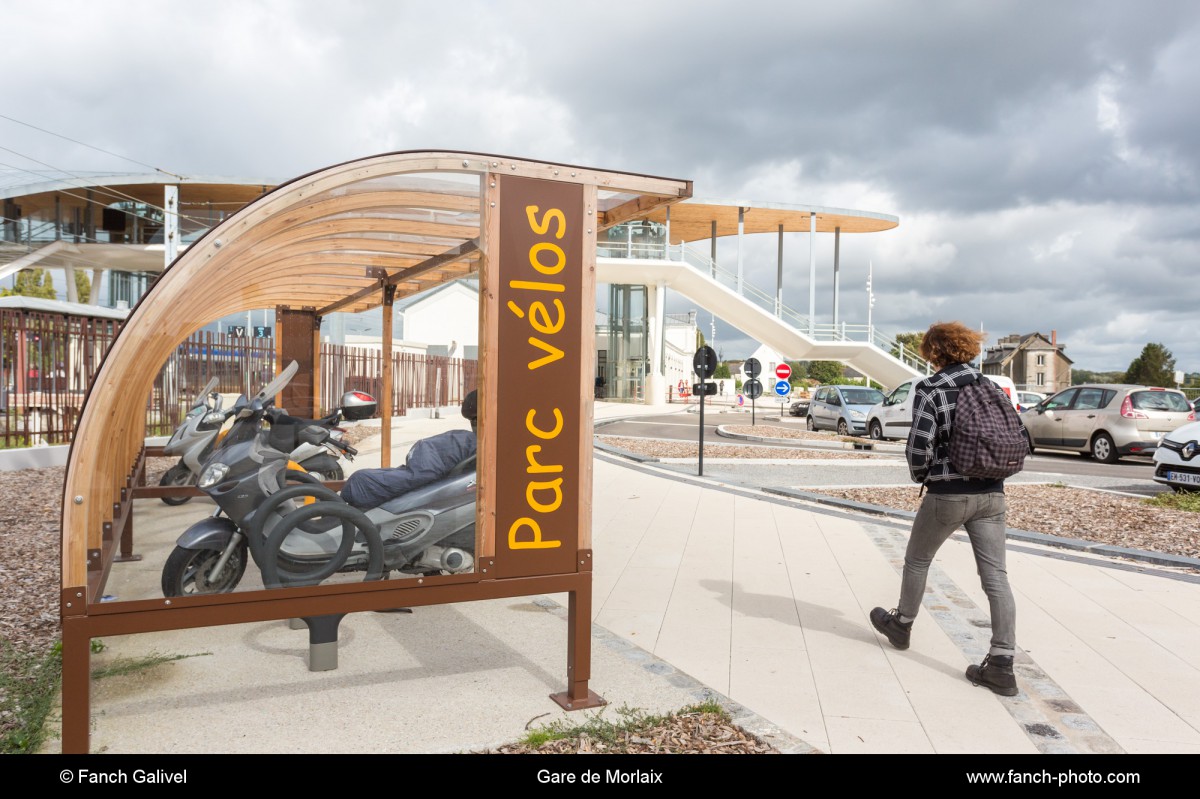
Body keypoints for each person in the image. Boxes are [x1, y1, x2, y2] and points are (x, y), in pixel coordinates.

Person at [869, 321, 1023, 696]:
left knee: (918, 560)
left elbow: (920, 444)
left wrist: (924, 475)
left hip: (948, 494)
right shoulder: (991, 386)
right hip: (993, 494)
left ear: (934, 352)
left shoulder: (931, 388)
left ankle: (902, 624)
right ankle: (1002, 664)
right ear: (968, 349)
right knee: (996, 578)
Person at [341, 389, 477, 508]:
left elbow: (419, 474)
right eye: (472, 420)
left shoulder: (468, 441)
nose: (473, 424)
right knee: (362, 479)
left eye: (474, 420)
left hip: (428, 461)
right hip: (429, 459)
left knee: (360, 478)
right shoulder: (469, 441)